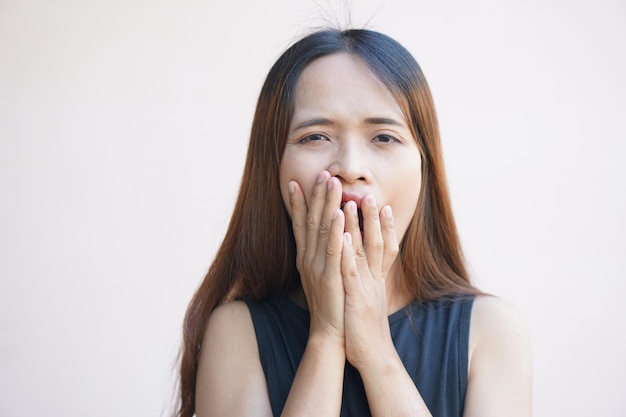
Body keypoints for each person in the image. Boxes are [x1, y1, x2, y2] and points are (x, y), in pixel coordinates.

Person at [175, 28, 532, 417]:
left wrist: (377, 351)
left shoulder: (492, 332)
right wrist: (326, 339)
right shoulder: (236, 332)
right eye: (315, 137)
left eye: (383, 137)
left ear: (424, 168)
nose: (350, 168)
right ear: (273, 167)